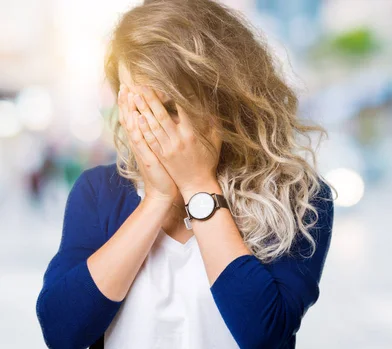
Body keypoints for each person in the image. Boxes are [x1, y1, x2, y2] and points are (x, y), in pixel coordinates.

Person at [35, 0, 336, 348]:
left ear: (224, 99)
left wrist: (198, 186)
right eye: (140, 108)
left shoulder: (299, 197)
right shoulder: (100, 190)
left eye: (168, 109)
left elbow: (264, 335)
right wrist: (157, 201)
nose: (155, 127)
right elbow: (61, 331)